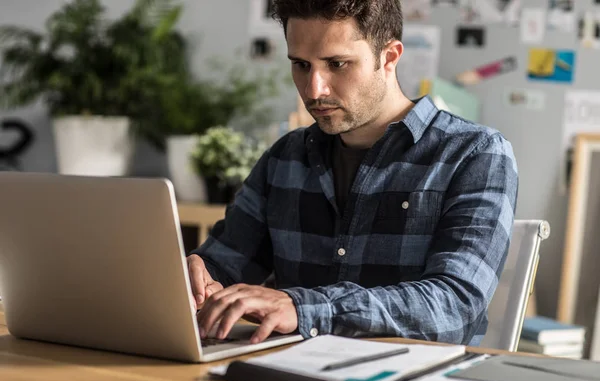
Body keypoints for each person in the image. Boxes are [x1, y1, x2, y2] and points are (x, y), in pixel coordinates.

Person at [190, 0, 518, 346]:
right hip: (287, 374)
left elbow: (454, 307)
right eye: (301, 65)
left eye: (337, 64)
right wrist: (197, 280)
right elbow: (222, 265)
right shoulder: (285, 158)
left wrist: (303, 309)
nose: (314, 90)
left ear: (389, 57)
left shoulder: (475, 154)